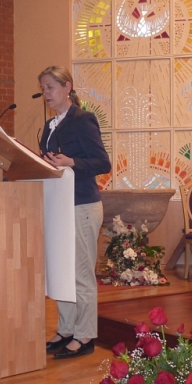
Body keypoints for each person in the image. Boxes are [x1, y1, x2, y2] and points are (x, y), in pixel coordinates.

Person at [37, 66, 111, 359]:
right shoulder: (49, 125)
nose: (46, 94)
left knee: (80, 275)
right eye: (43, 89)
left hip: (81, 205)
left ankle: (84, 335)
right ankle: (66, 328)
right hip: (58, 206)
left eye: (50, 87)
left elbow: (102, 162)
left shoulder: (82, 120)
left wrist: (71, 162)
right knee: (61, 273)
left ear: (67, 87)